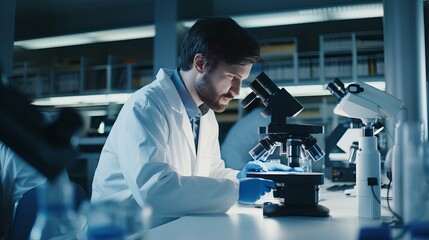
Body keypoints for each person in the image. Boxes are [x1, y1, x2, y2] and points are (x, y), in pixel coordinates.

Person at [91, 17, 291, 223]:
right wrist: (237, 190)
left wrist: (239, 177)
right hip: (125, 230)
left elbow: (207, 174)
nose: (236, 91)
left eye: (242, 80)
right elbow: (154, 191)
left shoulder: (205, 114)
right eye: (232, 77)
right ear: (200, 63)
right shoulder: (146, 106)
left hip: (172, 227)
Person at [0, 141, 47, 239]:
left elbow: (3, 205)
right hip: (63, 228)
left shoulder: (7, 146)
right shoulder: (50, 143)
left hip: (29, 229)